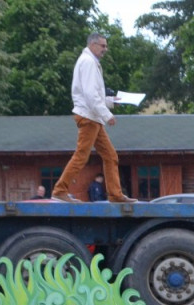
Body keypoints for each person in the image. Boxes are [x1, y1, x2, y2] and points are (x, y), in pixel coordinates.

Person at [50, 34, 136, 204]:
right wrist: (107, 115)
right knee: (82, 156)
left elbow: (93, 94)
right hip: (89, 117)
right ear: (92, 44)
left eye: (106, 46)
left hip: (93, 117)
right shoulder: (88, 62)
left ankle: (115, 195)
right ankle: (60, 190)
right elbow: (90, 95)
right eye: (102, 46)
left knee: (110, 156)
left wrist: (111, 102)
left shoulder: (90, 62)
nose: (105, 49)